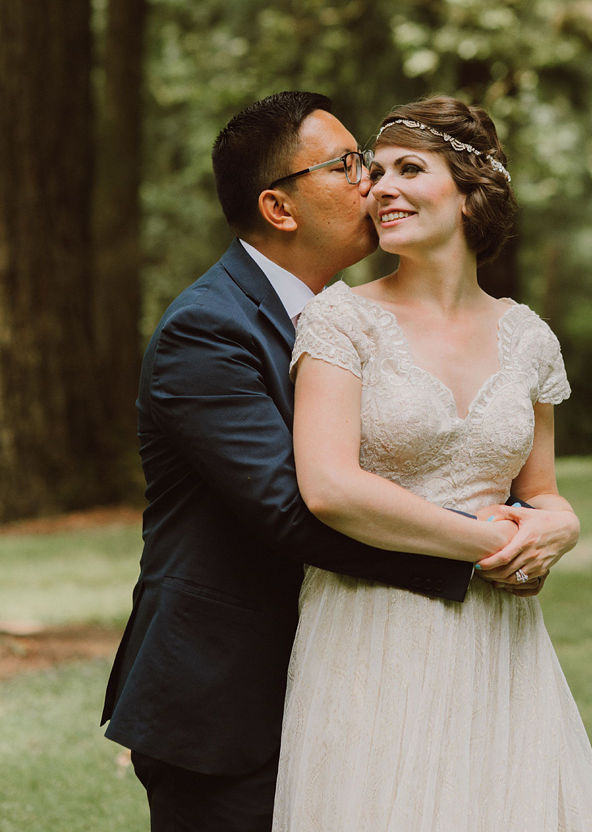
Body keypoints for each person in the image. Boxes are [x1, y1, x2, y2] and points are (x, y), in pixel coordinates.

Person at [102, 91, 548, 832]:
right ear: (280, 209)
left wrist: (543, 519)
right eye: (349, 167)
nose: (373, 185)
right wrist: (482, 551)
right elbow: (291, 506)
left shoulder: (354, 320)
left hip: (357, 673)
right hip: (227, 694)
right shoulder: (207, 330)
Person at [270, 96, 592, 830]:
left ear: (468, 195)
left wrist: (564, 528)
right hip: (370, 627)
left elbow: (543, 492)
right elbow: (331, 488)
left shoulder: (528, 338)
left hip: (500, 639)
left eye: (410, 170)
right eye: (374, 171)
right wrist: (496, 543)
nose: (380, 187)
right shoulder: (341, 319)